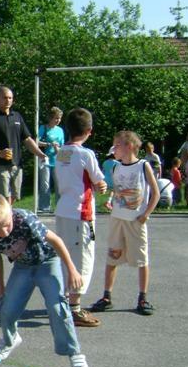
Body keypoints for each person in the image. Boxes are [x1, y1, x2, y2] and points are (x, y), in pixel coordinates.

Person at [0, 193, 90, 367]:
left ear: (10, 213)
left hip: (47, 263)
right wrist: (1, 286)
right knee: (5, 308)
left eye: (6, 225)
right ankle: (10, 339)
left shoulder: (24, 219)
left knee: (57, 307)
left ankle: (74, 353)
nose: (4, 232)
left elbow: (56, 241)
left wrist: (72, 269)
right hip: (23, 267)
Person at [89, 131, 159, 316]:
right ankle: (106, 296)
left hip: (136, 220)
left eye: (117, 146)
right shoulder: (116, 167)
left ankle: (142, 297)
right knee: (112, 256)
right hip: (117, 218)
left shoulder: (143, 166)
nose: (114, 150)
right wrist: (110, 200)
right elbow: (116, 189)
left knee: (141, 258)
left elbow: (155, 192)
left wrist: (146, 213)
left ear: (129, 146)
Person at [52, 108, 107, 327]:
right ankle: (74, 307)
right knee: (82, 258)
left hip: (64, 208)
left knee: (66, 256)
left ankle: (66, 299)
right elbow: (98, 180)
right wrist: (101, 186)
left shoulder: (61, 152)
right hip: (80, 212)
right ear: (89, 131)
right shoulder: (86, 154)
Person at [0, 86, 46, 203]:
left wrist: (40, 154)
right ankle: (5, 220)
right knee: (4, 198)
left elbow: (27, 139)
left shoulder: (17, 117)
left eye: (10, 98)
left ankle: (6, 217)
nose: (8, 100)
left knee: (14, 197)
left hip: (16, 164)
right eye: (5, 97)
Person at [37, 107, 64, 212]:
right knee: (45, 184)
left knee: (59, 185)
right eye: (56, 118)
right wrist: (49, 144)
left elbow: (62, 145)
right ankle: (44, 207)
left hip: (57, 160)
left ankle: (60, 206)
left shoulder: (60, 130)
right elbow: (36, 142)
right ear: (50, 118)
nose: (58, 120)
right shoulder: (43, 128)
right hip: (45, 159)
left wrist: (58, 149)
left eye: (59, 118)